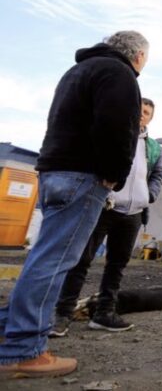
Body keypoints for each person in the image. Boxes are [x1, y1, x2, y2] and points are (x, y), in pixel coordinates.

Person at [0, 31, 147, 378]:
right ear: (138, 55)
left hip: (54, 170)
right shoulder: (119, 74)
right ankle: (22, 349)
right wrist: (114, 173)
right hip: (84, 176)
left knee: (42, 257)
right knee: (54, 262)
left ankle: (10, 332)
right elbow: (115, 126)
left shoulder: (78, 70)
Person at [52, 98, 162, 337]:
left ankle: (104, 313)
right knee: (81, 260)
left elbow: (157, 175)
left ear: (151, 118)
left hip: (133, 214)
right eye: (140, 110)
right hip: (104, 207)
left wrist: (149, 196)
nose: (142, 115)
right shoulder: (116, 134)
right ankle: (62, 315)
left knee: (117, 266)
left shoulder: (153, 147)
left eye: (147, 113)